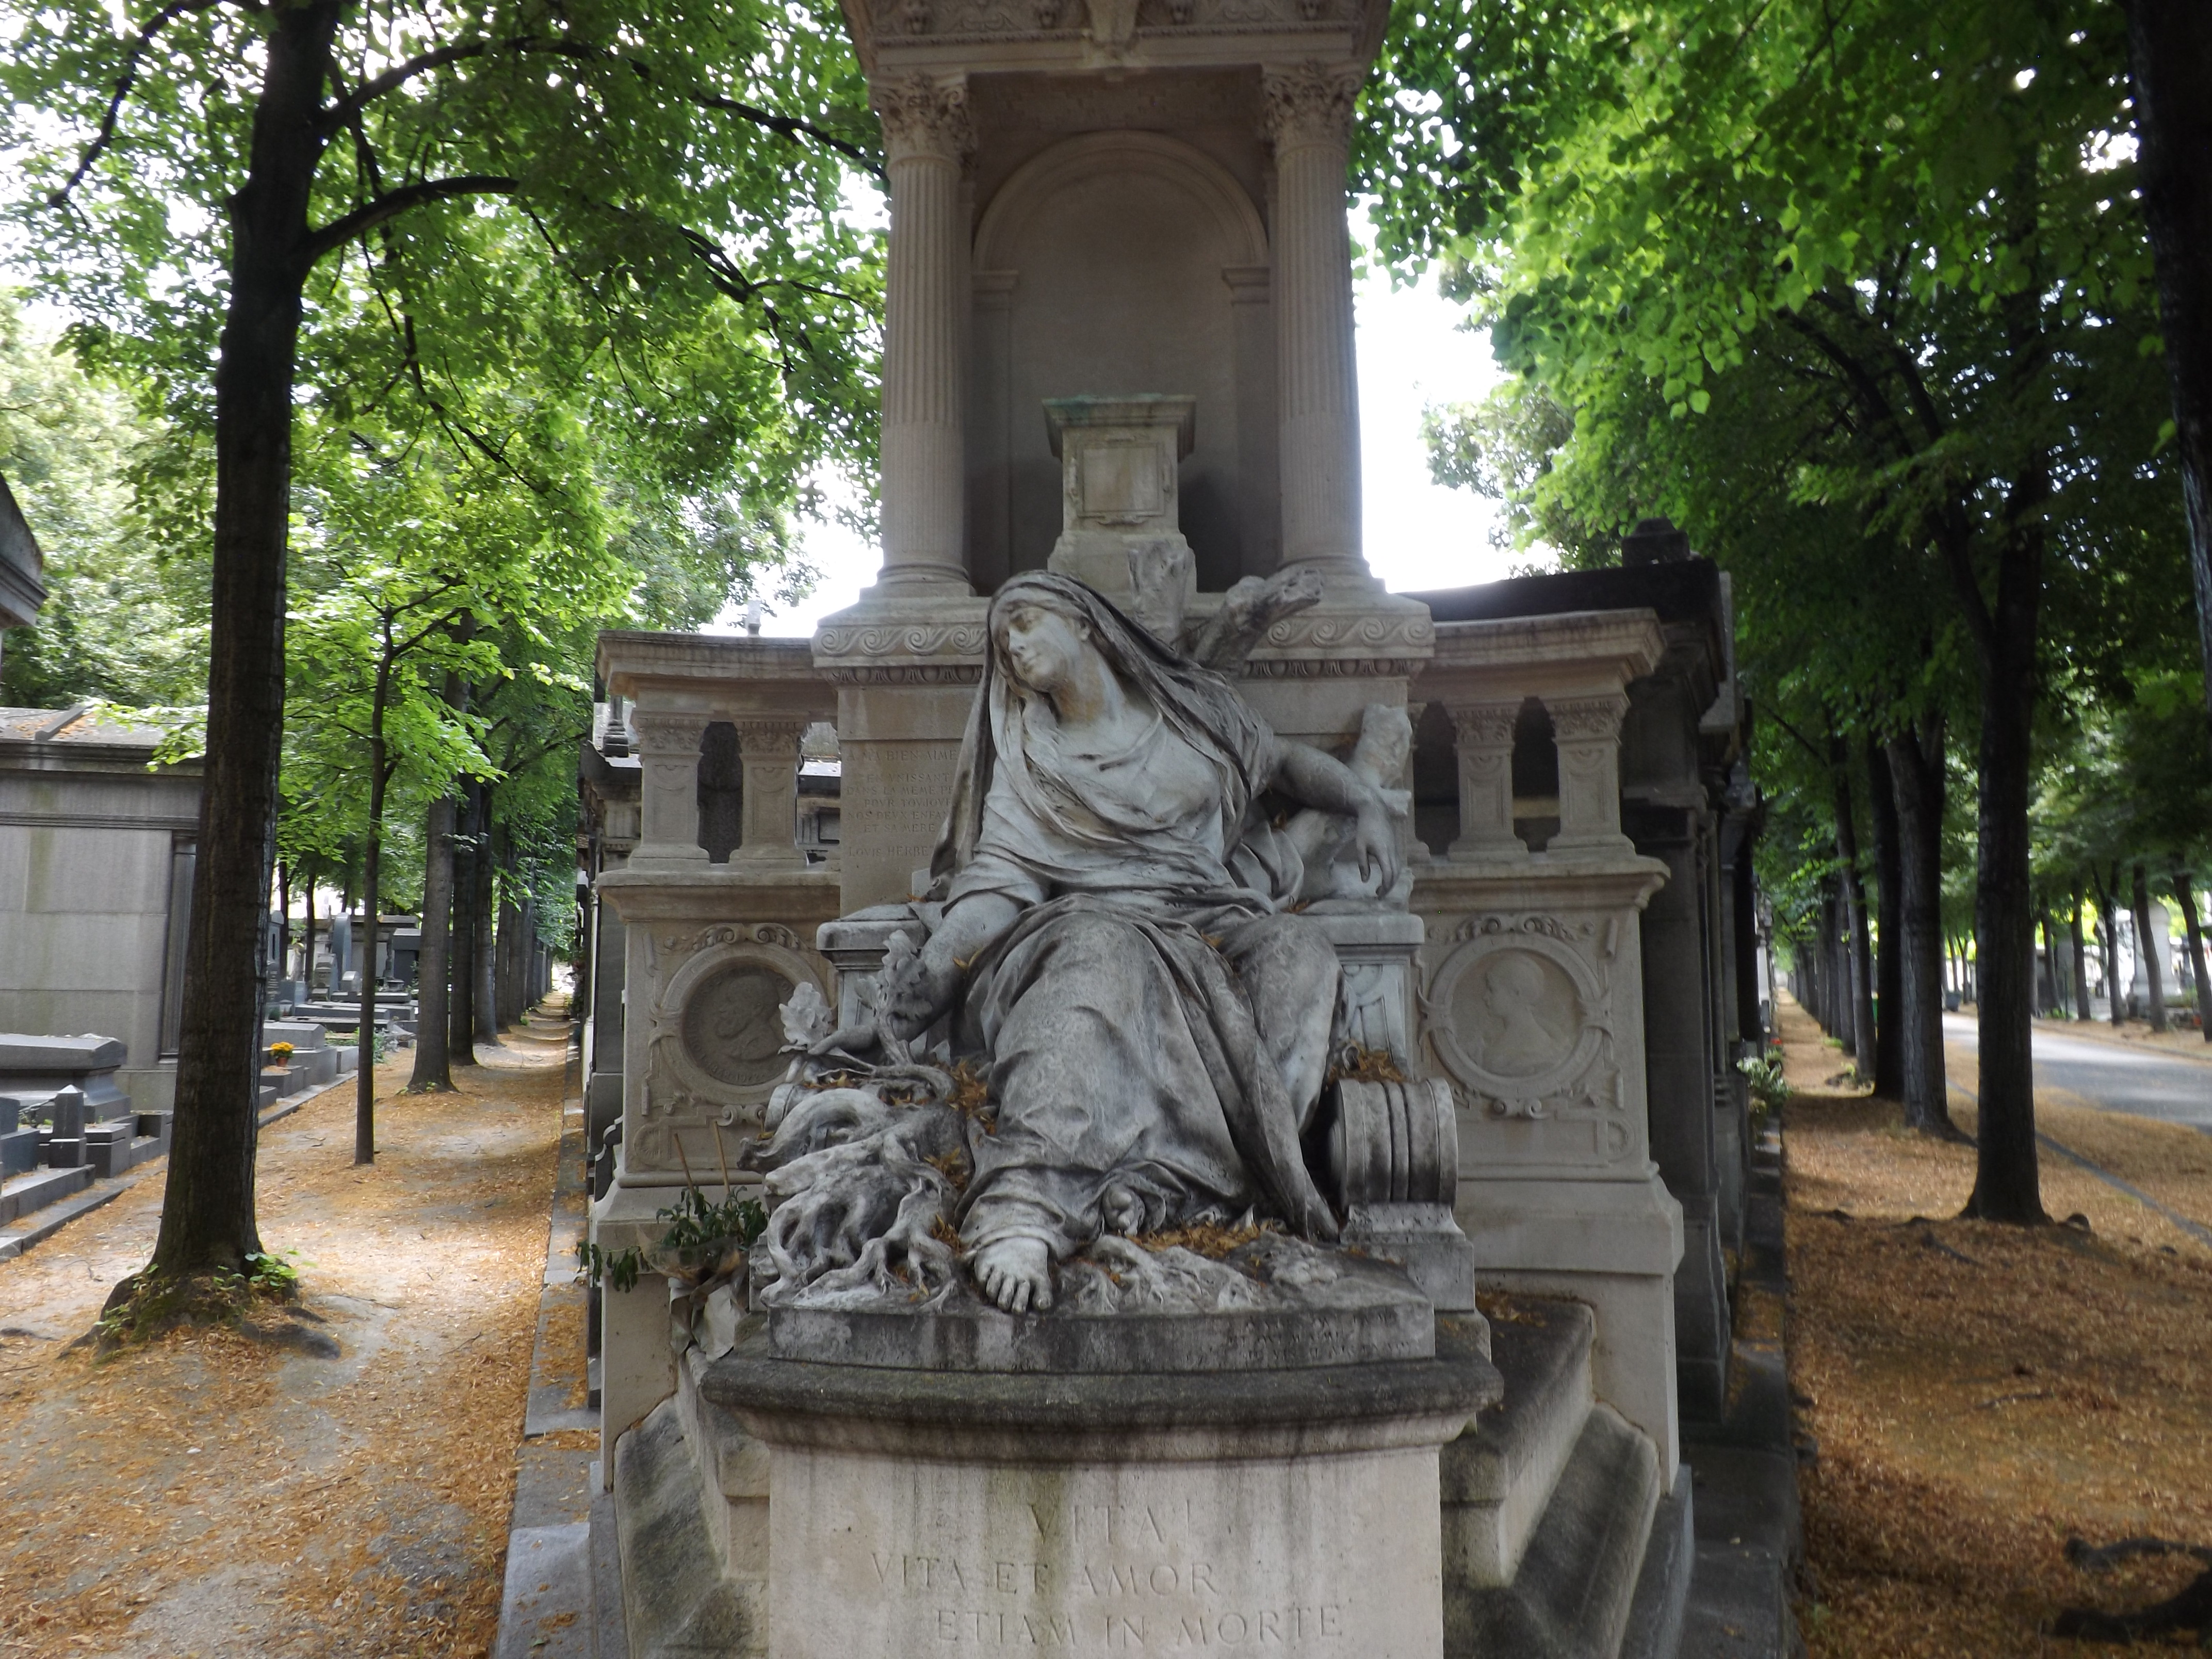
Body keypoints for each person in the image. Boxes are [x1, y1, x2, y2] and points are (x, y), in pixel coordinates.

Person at [822, 572, 1402, 1314]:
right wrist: (931, 980)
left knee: (1299, 956)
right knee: (1102, 952)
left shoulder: (1195, 714)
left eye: (1026, 622)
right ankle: (1025, 1208)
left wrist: (1364, 799)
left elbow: (1282, 764)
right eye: (1003, 639)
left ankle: (1226, 1187)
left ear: (1087, 623)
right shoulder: (1034, 763)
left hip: (1207, 918)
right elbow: (999, 886)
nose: (1014, 646)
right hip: (1079, 922)